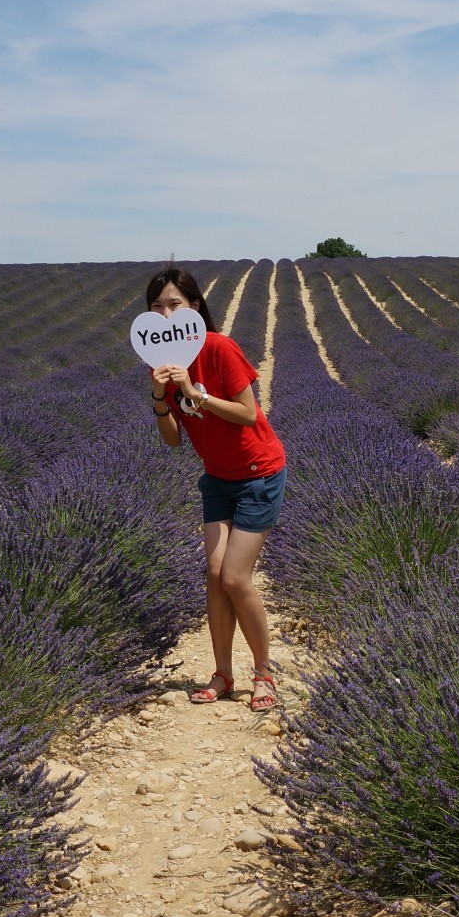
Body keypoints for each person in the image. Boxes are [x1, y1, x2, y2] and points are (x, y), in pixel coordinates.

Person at [143, 266, 287, 712]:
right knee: (213, 575)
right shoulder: (160, 365)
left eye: (175, 305)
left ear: (196, 307)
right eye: (157, 309)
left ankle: (264, 673)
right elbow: (171, 440)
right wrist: (158, 397)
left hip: (258, 472)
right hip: (218, 479)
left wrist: (195, 393)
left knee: (234, 577)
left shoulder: (219, 348)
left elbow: (248, 414)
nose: (166, 315)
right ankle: (223, 673)